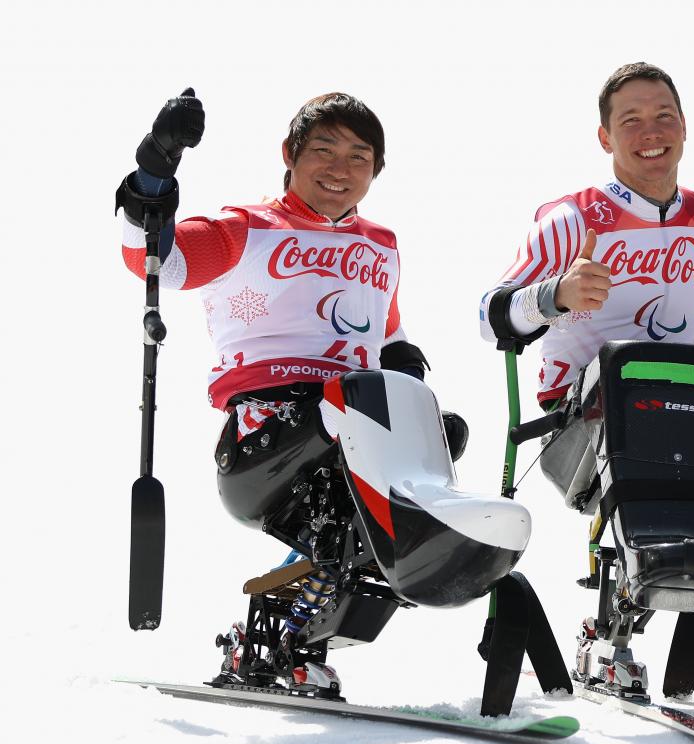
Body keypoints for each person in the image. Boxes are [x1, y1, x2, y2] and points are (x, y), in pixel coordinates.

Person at [116, 90, 455, 694]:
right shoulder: (246, 229)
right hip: (266, 439)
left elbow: (389, 332)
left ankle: (283, 643)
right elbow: (156, 259)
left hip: (356, 432)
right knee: (348, 413)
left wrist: (416, 390)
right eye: (323, 150)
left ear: (375, 171)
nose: (339, 169)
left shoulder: (381, 244)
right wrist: (157, 164)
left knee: (436, 434)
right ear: (290, 156)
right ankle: (283, 640)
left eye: (359, 157)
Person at [478, 63, 694, 695]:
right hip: (579, 425)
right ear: (605, 137)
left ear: (685, 127)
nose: (651, 133)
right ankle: (608, 637)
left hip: (675, 420)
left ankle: (663, 599)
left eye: (663, 117)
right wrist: (556, 295)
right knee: (627, 374)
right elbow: (489, 316)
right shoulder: (571, 218)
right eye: (631, 121)